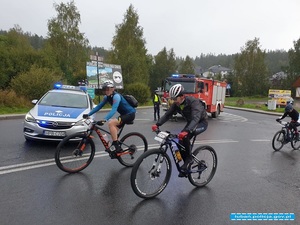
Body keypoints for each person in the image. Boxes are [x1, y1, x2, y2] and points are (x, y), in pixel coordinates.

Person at [152, 84, 208, 177]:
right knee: (180, 141)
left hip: (201, 122)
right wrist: (157, 124)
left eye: (175, 98)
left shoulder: (193, 102)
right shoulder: (176, 104)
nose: (173, 101)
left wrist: (187, 131)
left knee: (185, 136)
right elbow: (167, 115)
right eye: (172, 99)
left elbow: (196, 118)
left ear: (182, 96)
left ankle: (189, 159)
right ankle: (186, 164)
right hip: (191, 123)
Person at [83, 80, 136, 154]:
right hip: (124, 115)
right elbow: (99, 107)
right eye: (105, 89)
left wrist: (104, 119)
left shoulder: (116, 97)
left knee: (111, 123)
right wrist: (88, 114)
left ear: (113, 89)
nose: (107, 91)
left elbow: (113, 110)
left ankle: (116, 145)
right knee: (113, 131)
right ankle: (118, 149)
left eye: (108, 89)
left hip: (130, 114)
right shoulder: (106, 97)